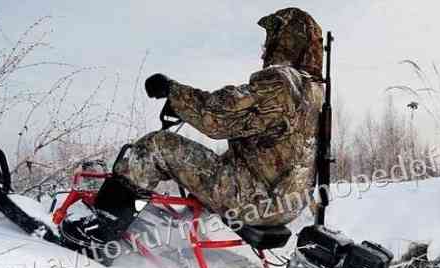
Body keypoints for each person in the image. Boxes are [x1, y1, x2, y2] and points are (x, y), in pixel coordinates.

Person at [88, 7, 325, 243]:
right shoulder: (315, 91)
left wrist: (172, 90)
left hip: (252, 199)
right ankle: (180, 235)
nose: (265, 48)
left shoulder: (281, 82)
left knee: (156, 146)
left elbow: (217, 117)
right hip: (286, 205)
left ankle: (98, 233)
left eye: (272, 39)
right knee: (216, 164)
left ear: (286, 41)